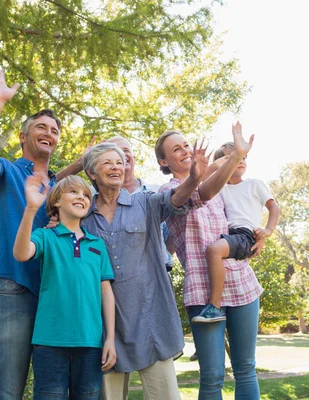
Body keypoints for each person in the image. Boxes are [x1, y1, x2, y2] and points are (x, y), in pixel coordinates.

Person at [79, 141, 220, 400]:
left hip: (151, 321)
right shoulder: (82, 215)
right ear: (91, 173)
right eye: (108, 162)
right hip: (103, 329)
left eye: (120, 163)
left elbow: (176, 199)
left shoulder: (145, 202)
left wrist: (193, 178)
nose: (116, 167)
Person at [0, 66, 63, 399]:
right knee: (7, 392)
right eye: (41, 127)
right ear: (23, 136)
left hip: (55, 296)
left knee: (54, 392)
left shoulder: (60, 189)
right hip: (14, 290)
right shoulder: (7, 171)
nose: (49, 132)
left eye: (54, 130)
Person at [157, 122, 263, 399]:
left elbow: (239, 214)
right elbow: (201, 194)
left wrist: (260, 234)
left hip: (240, 280)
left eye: (186, 145)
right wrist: (234, 157)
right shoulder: (166, 193)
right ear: (164, 161)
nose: (184, 151)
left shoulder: (216, 182)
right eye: (175, 149)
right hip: (203, 292)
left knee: (245, 368)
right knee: (213, 376)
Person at [13, 175, 116, 399]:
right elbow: (21, 253)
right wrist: (31, 210)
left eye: (86, 195)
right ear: (56, 202)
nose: (81, 197)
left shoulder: (97, 244)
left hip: (90, 343)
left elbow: (106, 292)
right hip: (49, 342)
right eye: (74, 192)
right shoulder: (45, 236)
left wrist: (109, 339)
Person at [193, 142, 280, 323]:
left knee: (214, 250)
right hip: (227, 234)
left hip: (246, 235)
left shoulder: (254, 184)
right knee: (213, 250)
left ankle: (214, 307)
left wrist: (267, 231)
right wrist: (216, 166)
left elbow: (274, 207)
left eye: (243, 158)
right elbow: (201, 183)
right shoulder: (220, 189)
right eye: (234, 158)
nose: (241, 161)